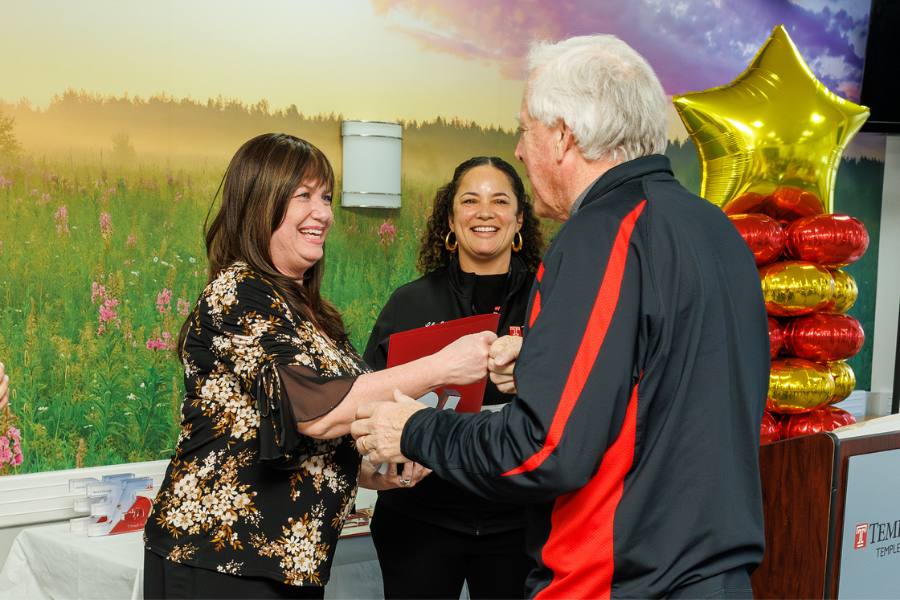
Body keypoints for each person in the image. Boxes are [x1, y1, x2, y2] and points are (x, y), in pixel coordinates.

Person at [352, 35, 770, 599]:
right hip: (713, 576)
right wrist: (542, 370)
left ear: (564, 135)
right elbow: (666, 390)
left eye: (525, 129)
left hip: (621, 579)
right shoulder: (715, 229)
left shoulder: (599, 236)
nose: (520, 151)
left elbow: (545, 451)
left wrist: (415, 429)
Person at [142, 133, 495, 599]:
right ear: (258, 203)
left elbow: (306, 436)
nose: (324, 213)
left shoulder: (310, 312)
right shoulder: (239, 292)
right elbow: (315, 412)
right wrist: (445, 364)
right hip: (217, 560)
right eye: (303, 196)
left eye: (326, 197)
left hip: (291, 566)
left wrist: (371, 474)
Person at [363, 156, 545, 599]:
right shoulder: (407, 305)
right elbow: (366, 403)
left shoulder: (551, 300)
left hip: (520, 526)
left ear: (519, 218)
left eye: (500, 201)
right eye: (470, 200)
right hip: (419, 523)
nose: (485, 212)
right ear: (450, 217)